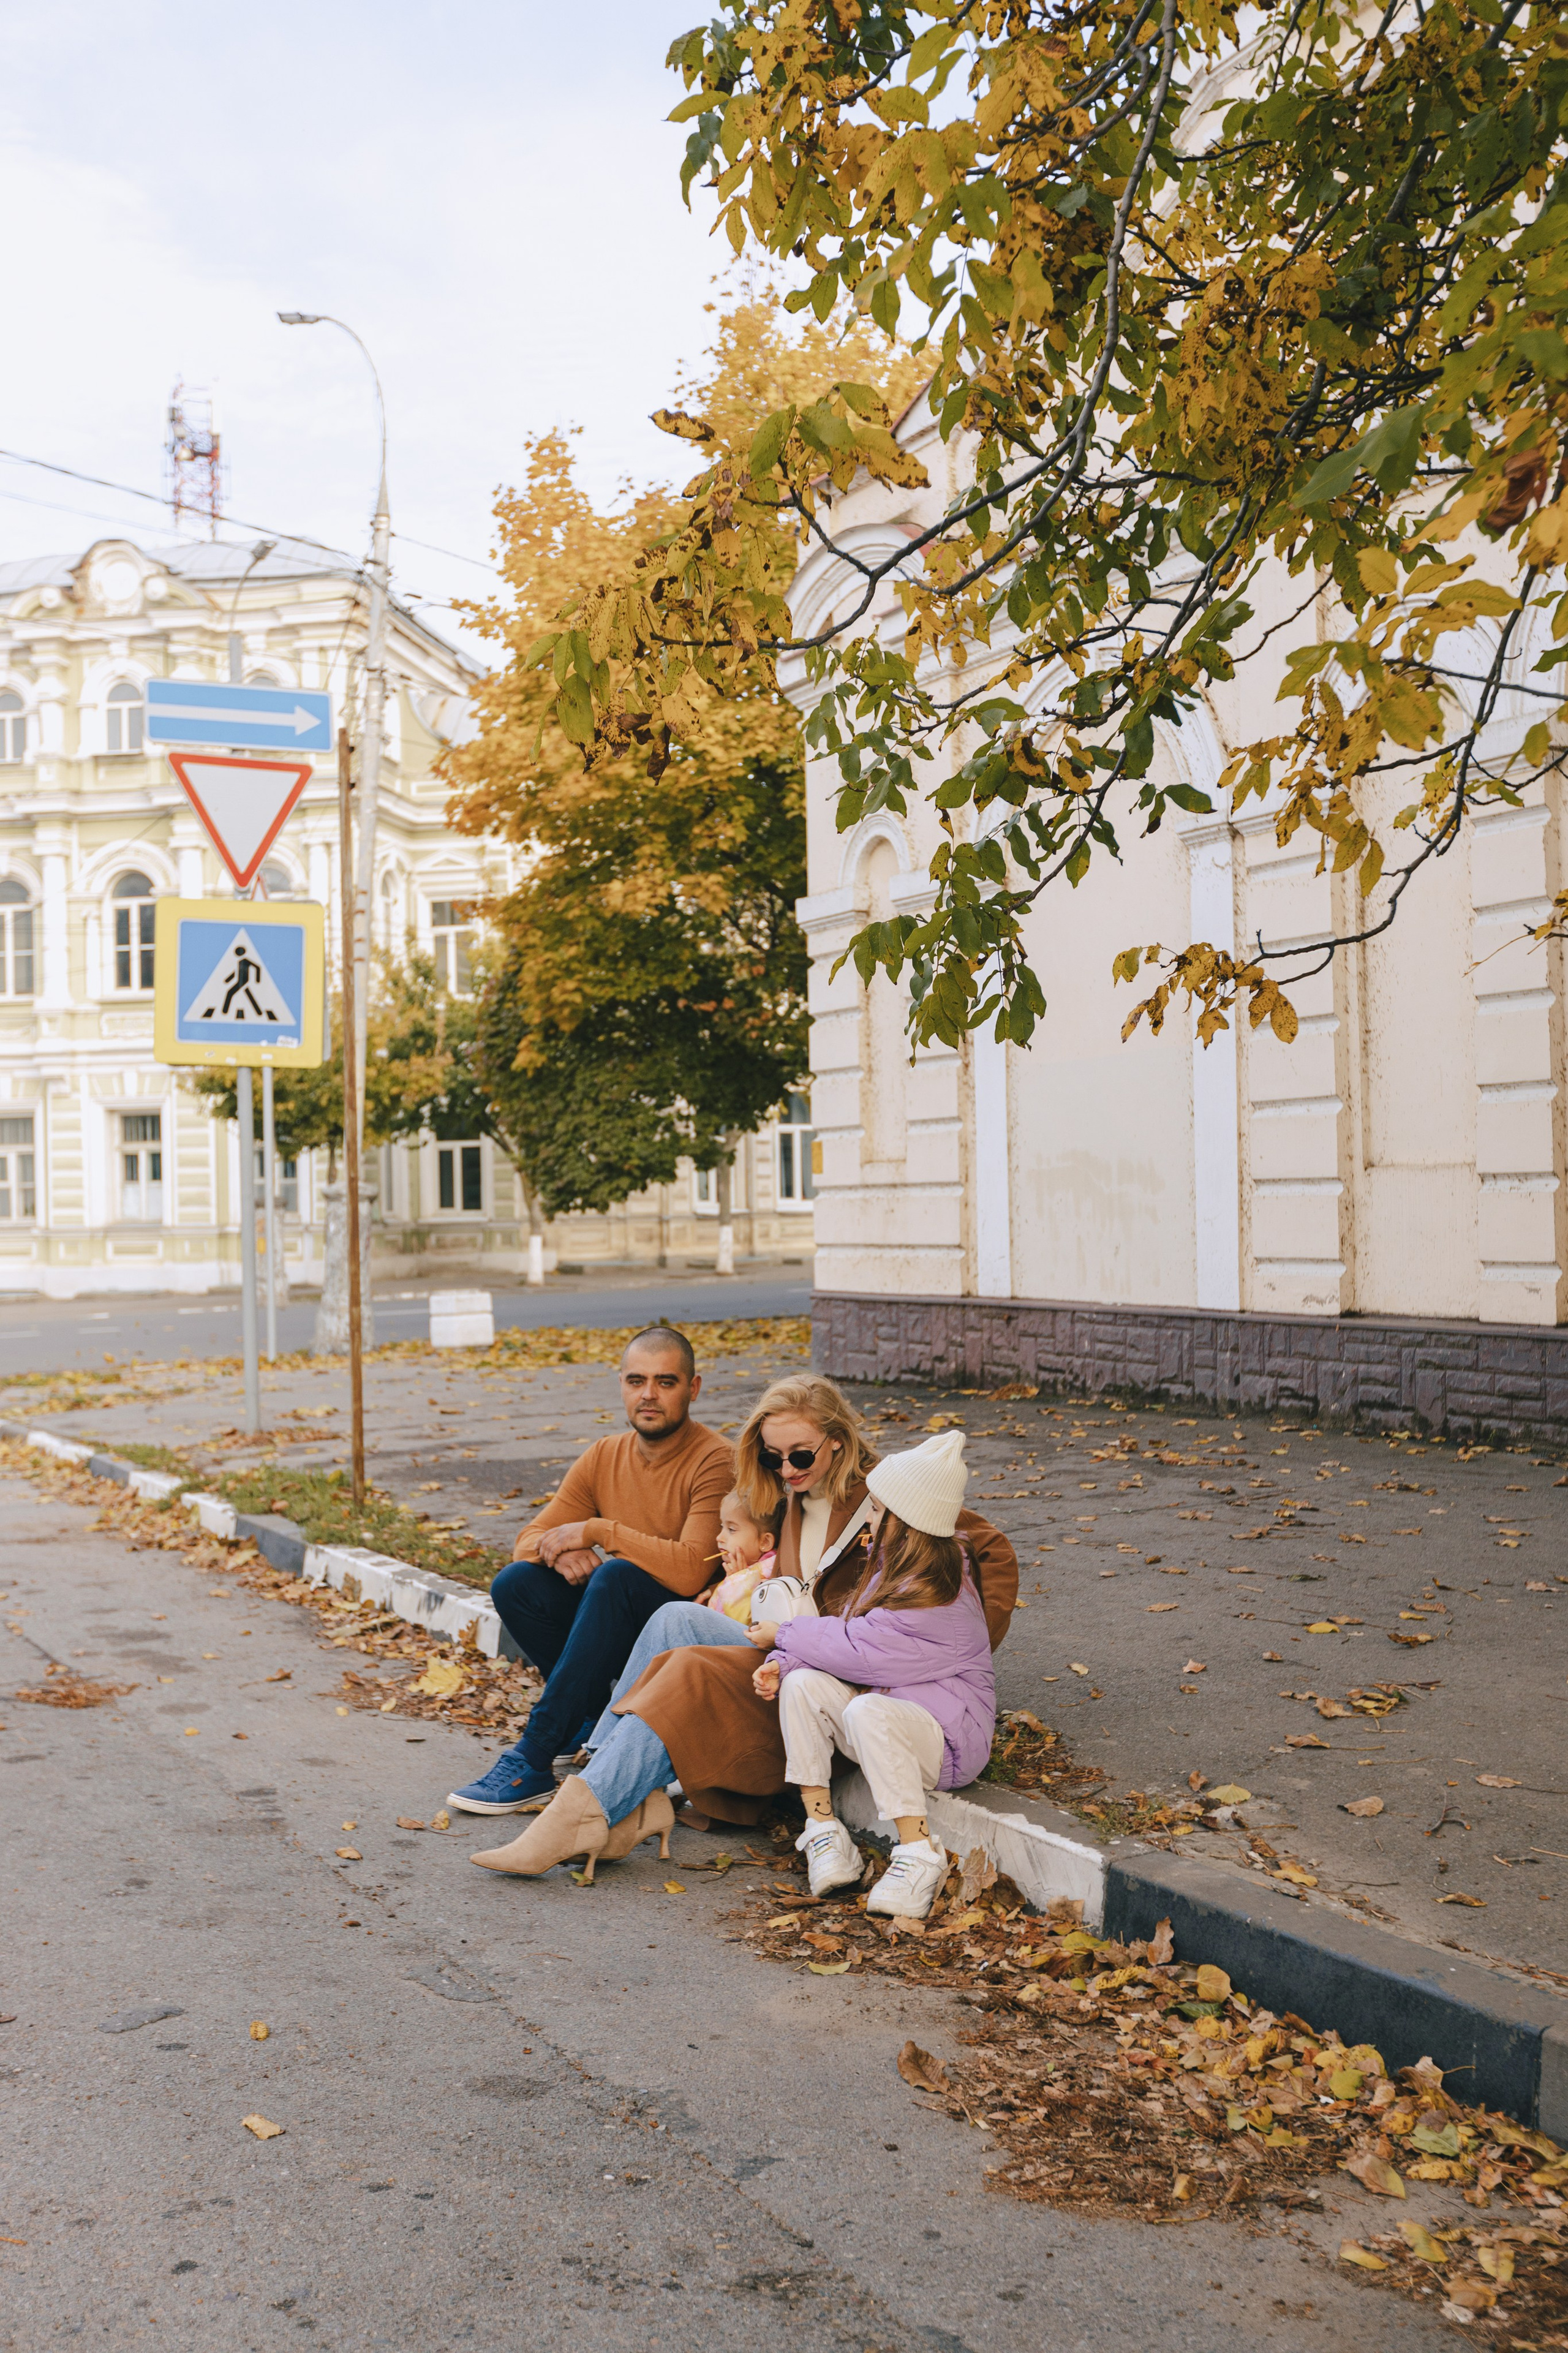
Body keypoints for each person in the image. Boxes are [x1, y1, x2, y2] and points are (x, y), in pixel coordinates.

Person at [465, 1385, 1016, 1882]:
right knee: (675, 1619)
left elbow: (990, 1552)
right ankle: (609, 1789)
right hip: (803, 1649)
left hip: (849, 1669)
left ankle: (587, 1812)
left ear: (839, 1444)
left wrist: (940, 1658)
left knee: (691, 1671)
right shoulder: (798, 1494)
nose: (787, 1469)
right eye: (772, 1457)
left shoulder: (887, 1496)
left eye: (800, 1455)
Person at [447, 1324, 732, 1814]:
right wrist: (558, 1550)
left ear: (693, 1388)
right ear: (621, 1384)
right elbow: (526, 1542)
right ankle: (582, 1717)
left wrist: (600, 1532)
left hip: (677, 1638)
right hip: (613, 1620)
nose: (649, 1394)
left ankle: (534, 1756)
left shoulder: (715, 1460)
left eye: (666, 1382)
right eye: (636, 1380)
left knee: (615, 1575)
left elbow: (690, 1571)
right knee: (517, 1583)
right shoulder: (604, 1455)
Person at [751, 1429, 992, 1919]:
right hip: (891, 1717)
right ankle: (823, 1832)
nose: (870, 1517)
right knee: (803, 1687)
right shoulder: (894, 1568)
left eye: (878, 1510)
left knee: (867, 1707)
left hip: (947, 1740)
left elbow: (863, 1649)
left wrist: (784, 1634)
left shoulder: (940, 1595)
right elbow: (850, 1634)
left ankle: (918, 1853)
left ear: (907, 1522)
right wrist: (787, 1664)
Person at [705, 1489, 778, 1622]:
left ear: (765, 1542)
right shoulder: (741, 1571)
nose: (719, 1538)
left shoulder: (769, 1580)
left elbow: (745, 1624)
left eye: (731, 1530)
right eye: (722, 1527)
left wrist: (738, 1583)